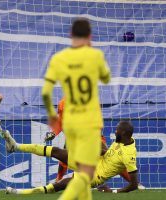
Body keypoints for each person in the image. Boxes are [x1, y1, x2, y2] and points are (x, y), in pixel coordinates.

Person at [41, 18, 111, 199]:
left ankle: (62, 182)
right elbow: (106, 78)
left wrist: (51, 118)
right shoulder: (95, 56)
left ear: (70, 35)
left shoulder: (59, 59)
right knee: (87, 170)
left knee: (79, 167)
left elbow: (46, 93)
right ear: (89, 36)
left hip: (72, 123)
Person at [3, 121, 139, 195]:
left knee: (61, 184)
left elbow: (133, 185)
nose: (115, 131)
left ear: (125, 133)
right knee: (57, 151)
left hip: (95, 175)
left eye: (117, 130)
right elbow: (106, 152)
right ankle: (15, 147)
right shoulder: (123, 139)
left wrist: (113, 191)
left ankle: (20, 192)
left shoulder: (129, 155)